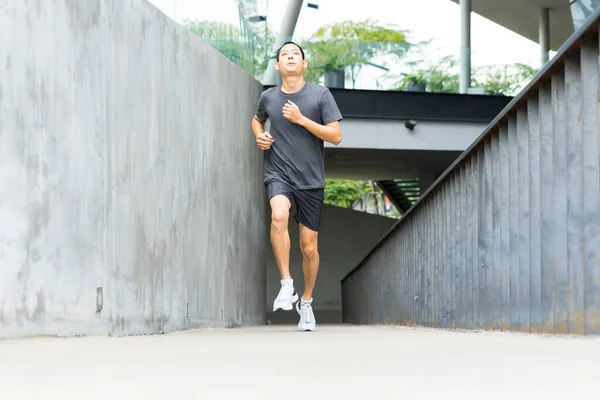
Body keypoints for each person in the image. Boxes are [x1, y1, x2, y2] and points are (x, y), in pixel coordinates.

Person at [251, 41, 343, 331]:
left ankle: (306, 301)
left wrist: (302, 119)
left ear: (304, 63)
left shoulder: (320, 95)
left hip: (311, 180)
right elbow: (257, 120)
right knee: (278, 215)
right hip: (278, 172)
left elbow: (336, 136)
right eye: (284, 55)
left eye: (295, 54)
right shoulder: (268, 97)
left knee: (309, 248)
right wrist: (260, 136)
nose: (290, 57)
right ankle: (287, 283)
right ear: (277, 66)